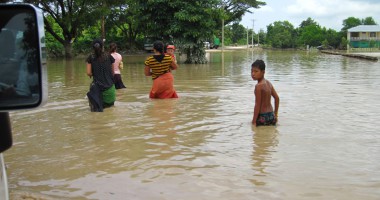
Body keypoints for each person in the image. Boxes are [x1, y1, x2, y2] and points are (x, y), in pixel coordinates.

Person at [86, 39, 116, 112]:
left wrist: (95, 73)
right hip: (110, 91)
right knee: (111, 110)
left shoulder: (90, 58)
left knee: (94, 110)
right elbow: (113, 72)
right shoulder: (109, 56)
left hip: (98, 91)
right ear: (102, 47)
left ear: (93, 48)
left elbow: (88, 73)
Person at [251, 59, 279, 126]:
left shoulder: (258, 86)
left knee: (258, 135)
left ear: (263, 72)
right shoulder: (268, 83)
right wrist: (275, 114)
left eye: (256, 71)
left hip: (262, 117)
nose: (253, 74)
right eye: (252, 71)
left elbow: (257, 105)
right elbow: (277, 98)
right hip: (271, 116)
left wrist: (254, 121)